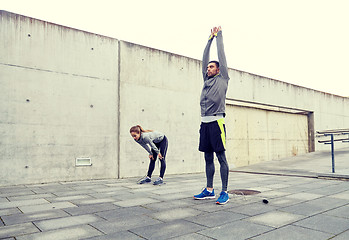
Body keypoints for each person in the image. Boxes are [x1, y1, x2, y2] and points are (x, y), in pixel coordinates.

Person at [193, 26, 230, 204]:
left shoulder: (223, 79)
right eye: (207, 67)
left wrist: (218, 36)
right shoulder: (206, 80)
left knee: (221, 157)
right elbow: (203, 60)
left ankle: (224, 191)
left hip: (217, 122)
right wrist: (208, 39)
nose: (208, 68)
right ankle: (209, 189)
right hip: (204, 124)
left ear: (218, 69)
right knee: (207, 157)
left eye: (211, 67)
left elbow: (221, 55)